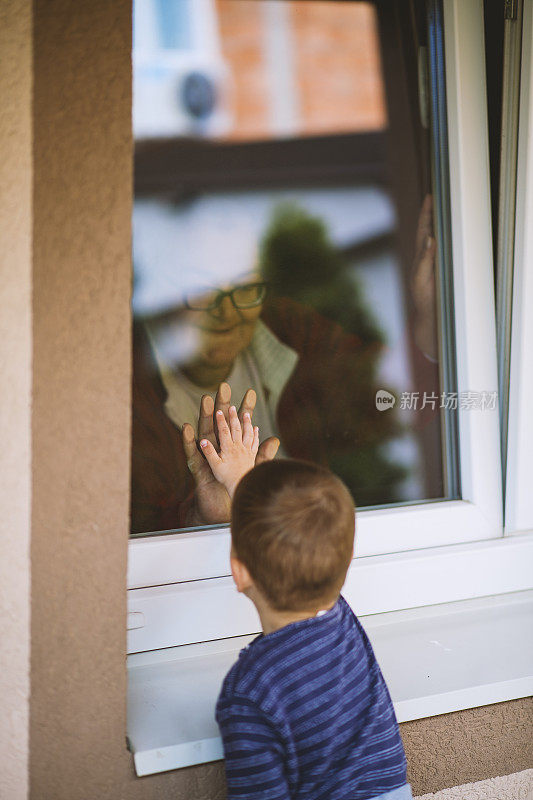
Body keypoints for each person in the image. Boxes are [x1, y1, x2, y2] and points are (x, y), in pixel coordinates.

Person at [131, 196, 438, 533]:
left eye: (245, 288)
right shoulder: (127, 385)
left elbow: (384, 403)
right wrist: (202, 521)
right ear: (167, 292)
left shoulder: (291, 333)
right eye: (203, 290)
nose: (227, 312)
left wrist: (429, 323)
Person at [201, 411, 411, 800]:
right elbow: (306, 540)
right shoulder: (342, 623)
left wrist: (240, 480)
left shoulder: (249, 690)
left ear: (238, 572)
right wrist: (244, 482)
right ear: (344, 566)